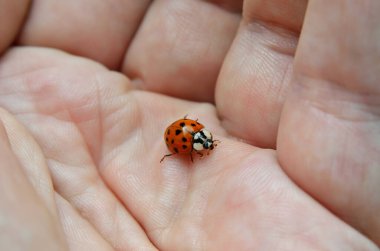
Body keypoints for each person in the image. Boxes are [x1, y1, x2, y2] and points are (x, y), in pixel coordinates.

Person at [0, 0, 379, 250]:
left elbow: (191, 136)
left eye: (200, 143)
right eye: (201, 144)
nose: (203, 147)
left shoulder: (192, 138)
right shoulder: (186, 141)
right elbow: (186, 139)